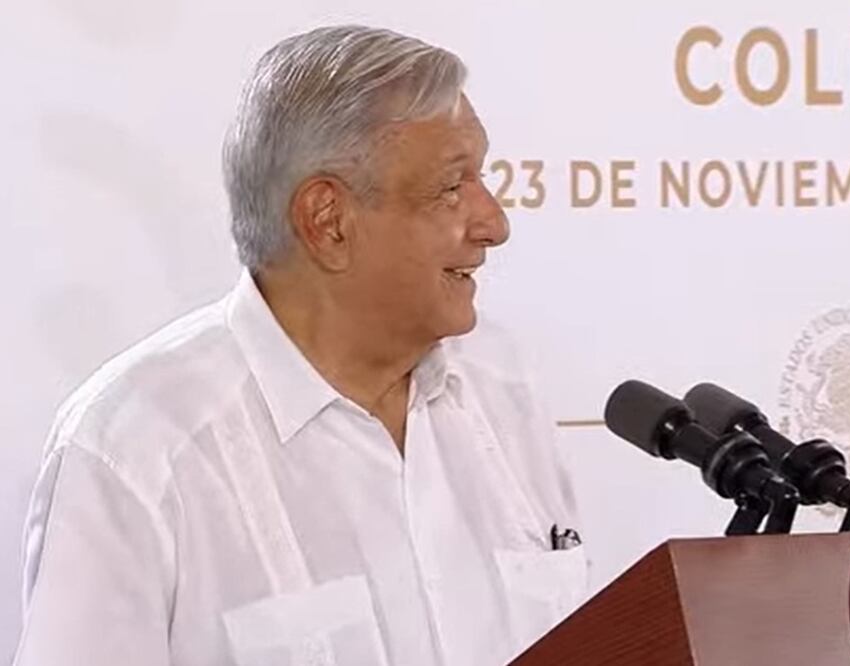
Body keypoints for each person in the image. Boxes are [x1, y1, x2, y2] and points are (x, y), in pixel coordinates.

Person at [15, 25, 587, 666]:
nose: (495, 224)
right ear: (328, 221)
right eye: (452, 187)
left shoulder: (504, 396)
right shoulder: (137, 447)